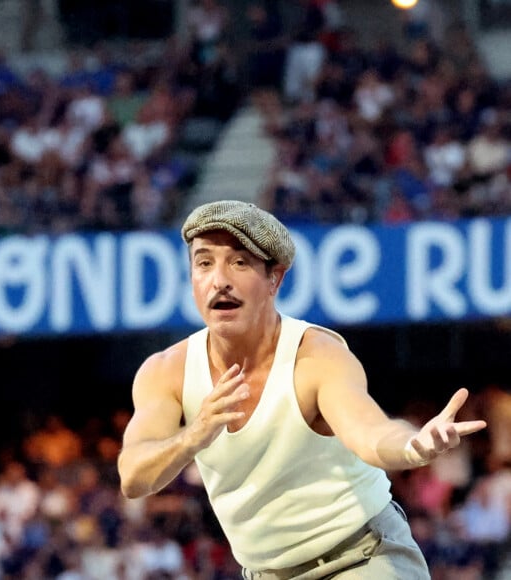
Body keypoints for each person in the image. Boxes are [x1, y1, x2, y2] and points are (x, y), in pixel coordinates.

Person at [117, 199, 487, 579]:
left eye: (240, 262)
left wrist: (414, 445)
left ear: (275, 278)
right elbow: (133, 477)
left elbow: (370, 433)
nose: (219, 279)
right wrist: (194, 434)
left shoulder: (317, 356)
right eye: (204, 262)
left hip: (363, 558)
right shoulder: (165, 371)